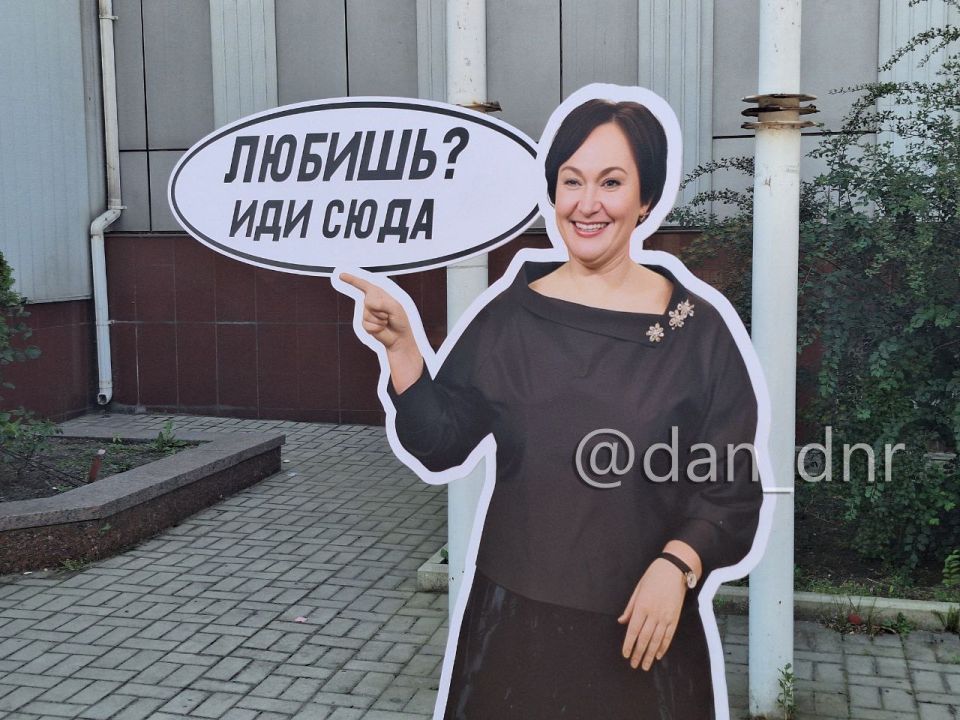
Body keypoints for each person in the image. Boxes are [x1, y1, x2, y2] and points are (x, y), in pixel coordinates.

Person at [339, 97, 764, 719]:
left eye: (611, 183)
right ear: (553, 192)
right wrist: (403, 350)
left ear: (647, 199)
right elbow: (442, 442)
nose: (587, 204)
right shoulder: (512, 315)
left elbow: (731, 488)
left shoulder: (695, 332)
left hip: (641, 637)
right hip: (513, 634)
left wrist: (679, 565)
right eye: (572, 181)